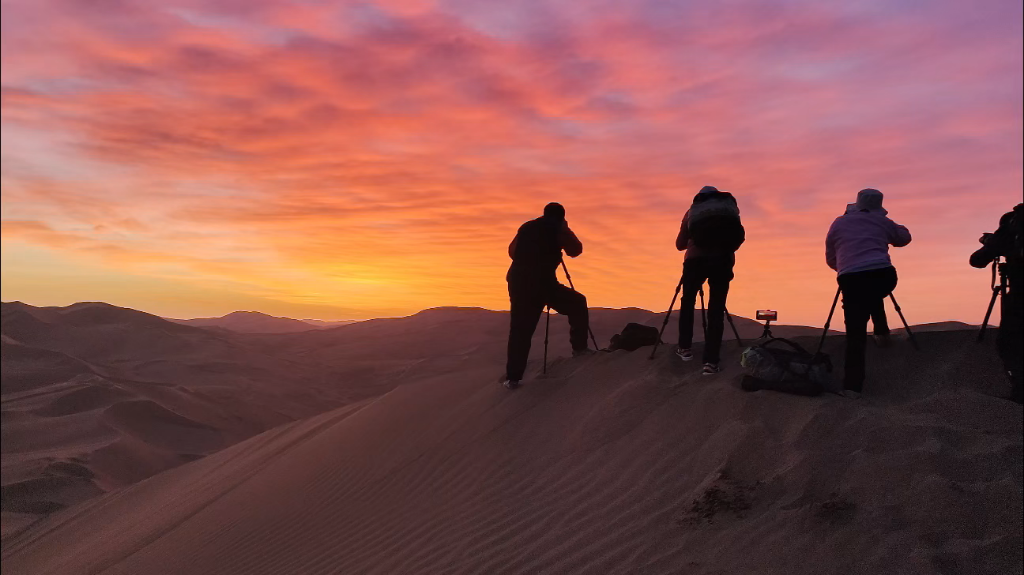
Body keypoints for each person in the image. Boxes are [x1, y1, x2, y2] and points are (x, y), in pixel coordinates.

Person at [825, 188, 912, 398]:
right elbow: (904, 238)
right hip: (883, 275)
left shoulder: (838, 222)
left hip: (851, 278)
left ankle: (852, 387)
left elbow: (830, 256)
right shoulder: (882, 221)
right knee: (872, 295)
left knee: (855, 332)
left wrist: (844, 267)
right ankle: (882, 333)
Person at [502, 203, 593, 389]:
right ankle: (580, 350)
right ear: (561, 217)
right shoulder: (558, 229)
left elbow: (512, 252)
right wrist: (565, 229)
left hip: (519, 283)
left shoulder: (527, 227)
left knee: (520, 330)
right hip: (544, 285)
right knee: (578, 303)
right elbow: (575, 250)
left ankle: (513, 378)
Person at [675, 186, 745, 375]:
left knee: (688, 301)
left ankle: (685, 348)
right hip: (723, 260)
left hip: (695, 261)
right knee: (716, 308)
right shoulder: (728, 209)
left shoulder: (692, 212)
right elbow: (737, 237)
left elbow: (679, 244)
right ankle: (711, 362)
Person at [969, 203, 1023, 404]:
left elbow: (977, 260)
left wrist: (991, 242)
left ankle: (1019, 391)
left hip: (1019, 295)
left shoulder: (1013, 220)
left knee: (1009, 341)